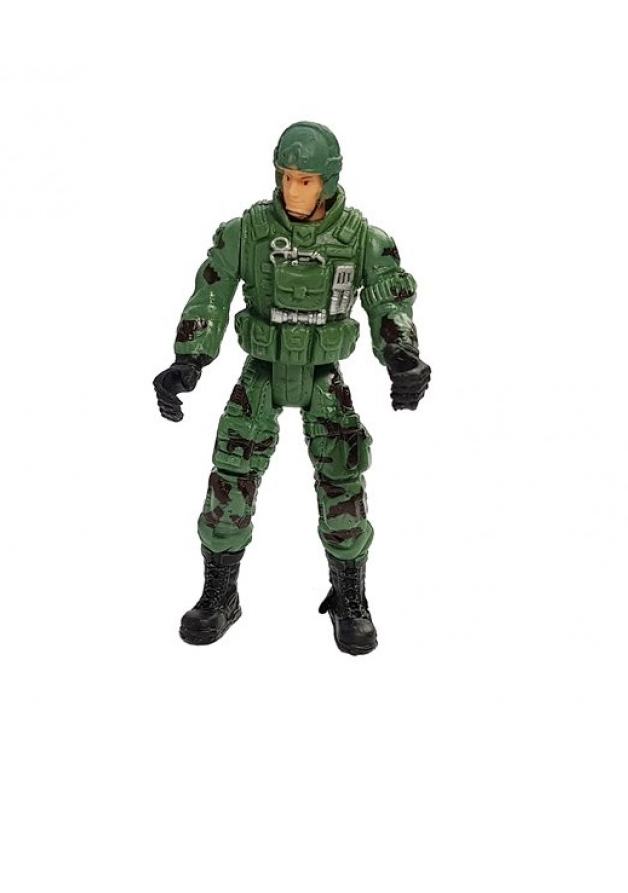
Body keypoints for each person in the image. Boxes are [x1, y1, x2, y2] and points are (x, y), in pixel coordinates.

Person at [153, 122, 430, 654]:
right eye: (285, 177)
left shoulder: (361, 240)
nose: (292, 190)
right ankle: (220, 595)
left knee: (343, 481)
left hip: (323, 375)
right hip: (261, 370)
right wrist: (189, 359)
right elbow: (210, 293)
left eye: (305, 180)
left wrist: (402, 355)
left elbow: (390, 299)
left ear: (328, 181)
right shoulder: (248, 232)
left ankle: (349, 598)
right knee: (231, 477)